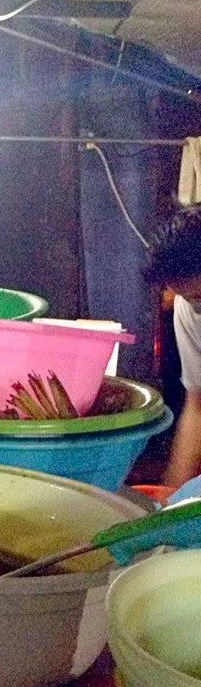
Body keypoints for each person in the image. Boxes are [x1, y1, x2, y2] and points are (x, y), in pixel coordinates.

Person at [144, 205, 201, 486]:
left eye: (200, 295)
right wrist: (172, 495)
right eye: (188, 297)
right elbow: (198, 406)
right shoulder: (190, 309)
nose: (195, 306)